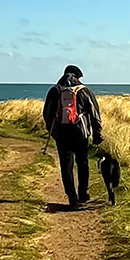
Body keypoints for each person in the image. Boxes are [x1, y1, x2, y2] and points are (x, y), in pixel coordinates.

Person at [43, 65, 103, 209]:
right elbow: (95, 114)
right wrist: (97, 134)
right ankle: (83, 194)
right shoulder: (84, 91)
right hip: (80, 134)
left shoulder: (54, 91)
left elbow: (47, 114)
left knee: (66, 166)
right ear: (78, 76)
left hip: (61, 134)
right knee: (82, 163)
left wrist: (53, 132)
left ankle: (72, 198)